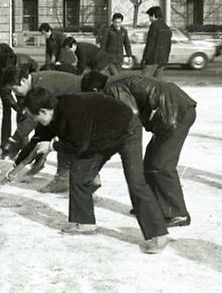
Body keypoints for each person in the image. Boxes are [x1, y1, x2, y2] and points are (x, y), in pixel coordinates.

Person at [22, 87, 171, 254]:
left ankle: (159, 235)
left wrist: (52, 146)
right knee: (79, 173)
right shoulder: (50, 115)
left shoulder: (72, 110)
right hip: (99, 136)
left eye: (34, 116)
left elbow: (78, 145)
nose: (33, 119)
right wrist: (19, 162)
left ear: (43, 110)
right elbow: (37, 140)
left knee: (135, 182)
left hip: (127, 130)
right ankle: (85, 222)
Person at [82, 71, 196, 227]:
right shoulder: (117, 81)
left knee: (161, 166)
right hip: (172, 110)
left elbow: (131, 116)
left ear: (95, 91)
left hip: (175, 114)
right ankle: (152, 207)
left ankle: (178, 213)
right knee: (150, 164)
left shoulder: (112, 88)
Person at [0, 65, 81, 193]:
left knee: (64, 134)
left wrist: (15, 138)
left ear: (23, 81)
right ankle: (57, 173)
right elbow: (40, 132)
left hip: (82, 102)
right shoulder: (36, 83)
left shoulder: (42, 87)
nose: (15, 94)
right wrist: (18, 163)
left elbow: (32, 120)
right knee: (48, 132)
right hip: (71, 105)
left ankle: (63, 179)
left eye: (15, 90)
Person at [0, 36, 39, 146]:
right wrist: (16, 106)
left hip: (23, 85)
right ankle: (5, 140)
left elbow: (35, 68)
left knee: (26, 112)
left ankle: (26, 141)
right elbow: (4, 93)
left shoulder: (23, 60)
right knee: (9, 110)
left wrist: (29, 83)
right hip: (8, 85)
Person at [141, 6, 172, 78]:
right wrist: (166, 59)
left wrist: (145, 58)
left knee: (143, 80)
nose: (150, 19)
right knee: (157, 83)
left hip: (153, 59)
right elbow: (168, 45)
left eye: (150, 16)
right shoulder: (166, 27)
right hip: (163, 59)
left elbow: (150, 44)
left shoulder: (154, 26)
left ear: (154, 15)